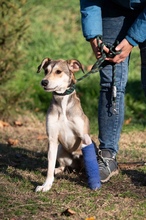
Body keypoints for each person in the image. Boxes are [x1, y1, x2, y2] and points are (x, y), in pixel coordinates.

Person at [80, 0, 146, 183]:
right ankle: (107, 155)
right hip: (113, 8)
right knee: (111, 82)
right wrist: (93, 36)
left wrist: (132, 39)